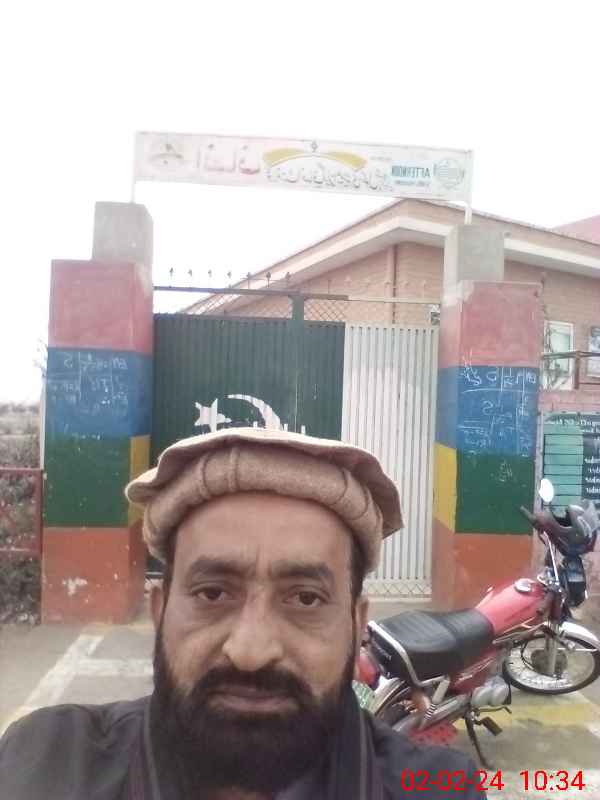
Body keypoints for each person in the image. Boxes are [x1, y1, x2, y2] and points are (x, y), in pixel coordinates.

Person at [0, 427, 486, 799]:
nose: (251, 651)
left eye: (306, 599)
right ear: (160, 610)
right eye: (213, 593)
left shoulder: (440, 789)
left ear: (357, 625)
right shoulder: (45, 763)